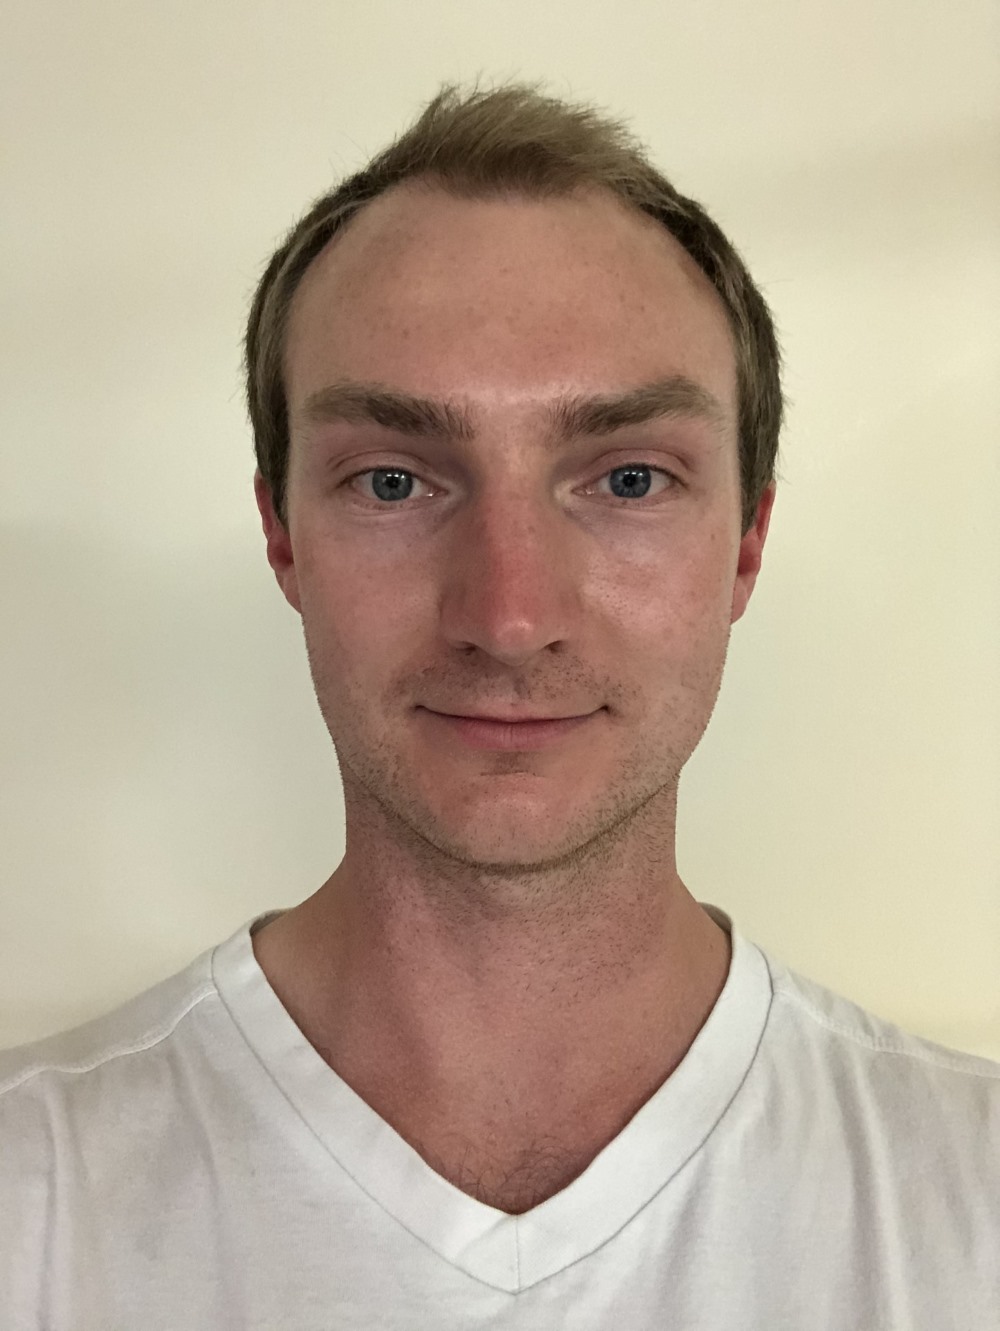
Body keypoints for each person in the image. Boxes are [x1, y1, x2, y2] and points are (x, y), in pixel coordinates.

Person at [2, 81, 997, 1329]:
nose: (510, 614)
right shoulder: (32, 1200)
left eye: (627, 479)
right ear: (283, 535)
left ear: (745, 544)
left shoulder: (970, 1203)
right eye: (394, 480)